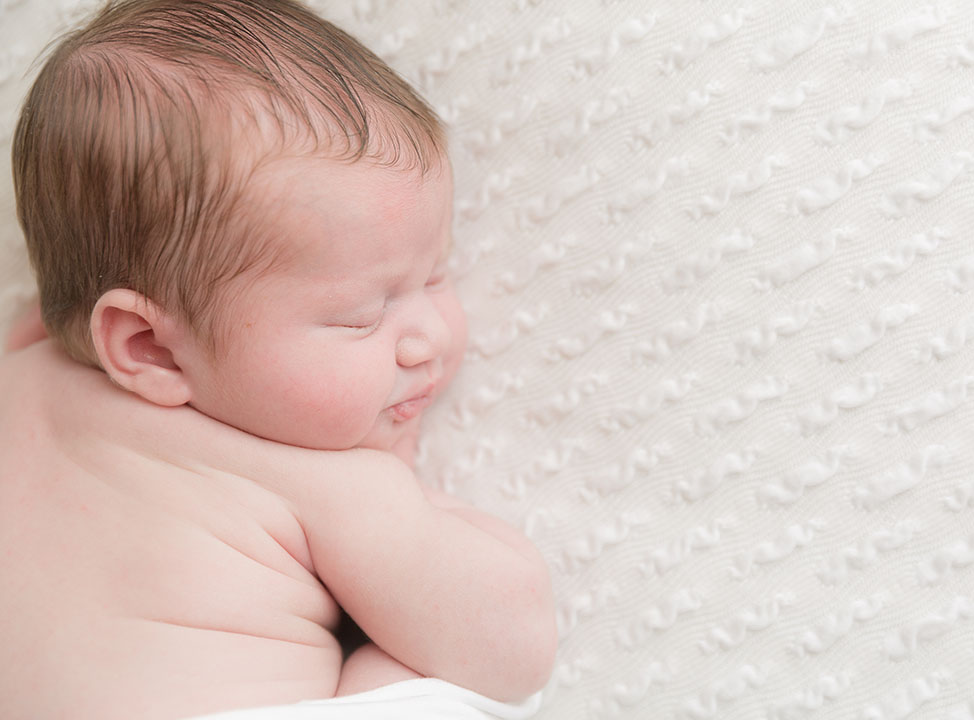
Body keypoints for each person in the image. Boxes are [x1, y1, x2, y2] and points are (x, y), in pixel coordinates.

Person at [0, 1, 558, 718]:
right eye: (360, 316)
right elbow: (513, 648)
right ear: (149, 349)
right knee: (426, 682)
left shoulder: (19, 371)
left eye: (436, 275)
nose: (427, 337)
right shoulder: (328, 485)